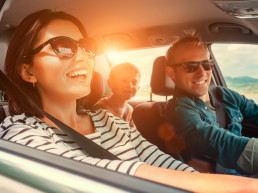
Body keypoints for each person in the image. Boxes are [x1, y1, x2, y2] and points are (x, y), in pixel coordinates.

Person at [0, 9, 257, 193]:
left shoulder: (109, 120)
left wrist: (200, 183)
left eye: (86, 46)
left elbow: (160, 161)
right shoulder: (19, 132)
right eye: (63, 46)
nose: (83, 57)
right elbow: (94, 172)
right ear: (28, 71)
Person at [164, 31, 258, 176]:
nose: (202, 73)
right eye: (191, 66)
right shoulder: (178, 110)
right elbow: (221, 143)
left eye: (207, 64)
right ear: (171, 73)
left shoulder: (225, 95)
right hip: (223, 184)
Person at [92, 62, 140, 128]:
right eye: (124, 81)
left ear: (138, 88)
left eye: (134, 82)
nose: (130, 86)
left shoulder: (129, 110)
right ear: (110, 83)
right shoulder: (101, 108)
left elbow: (132, 133)